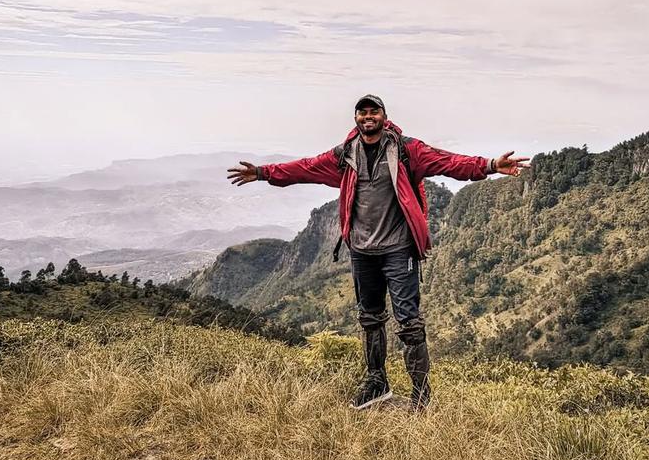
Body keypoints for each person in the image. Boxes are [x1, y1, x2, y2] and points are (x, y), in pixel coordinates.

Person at [227, 94, 530, 411]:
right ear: (356, 118)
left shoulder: (407, 149)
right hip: (361, 250)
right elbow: (305, 168)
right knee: (370, 319)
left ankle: (420, 396)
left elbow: (448, 162)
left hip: (399, 249)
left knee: (409, 323)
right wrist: (263, 172)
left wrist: (491, 165)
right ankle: (376, 383)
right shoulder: (345, 154)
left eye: (374, 111)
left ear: (384, 116)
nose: (368, 116)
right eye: (363, 112)